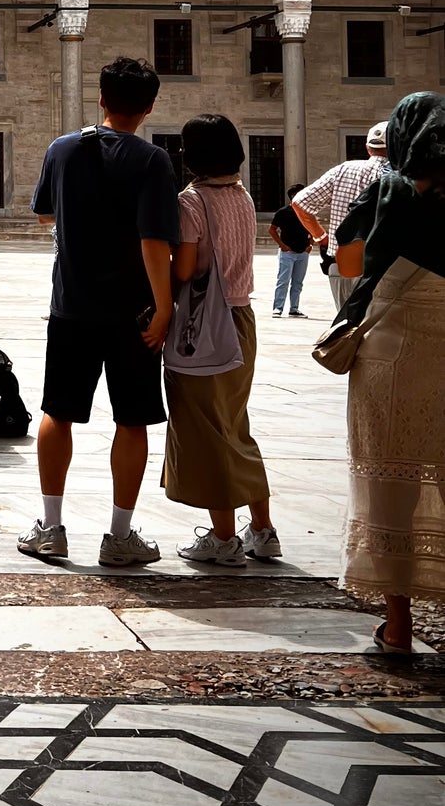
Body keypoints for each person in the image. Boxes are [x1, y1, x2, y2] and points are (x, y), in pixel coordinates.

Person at [20, 57, 178, 567]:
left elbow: (45, 211)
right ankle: (118, 536)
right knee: (133, 420)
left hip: (72, 305)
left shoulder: (63, 149)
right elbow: (154, 241)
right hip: (132, 310)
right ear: (150, 106)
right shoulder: (153, 161)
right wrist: (163, 306)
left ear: (102, 98)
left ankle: (51, 527)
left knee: (57, 413)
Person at [333, 92, 445, 654]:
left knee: (389, 480)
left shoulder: (390, 186)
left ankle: (398, 628)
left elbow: (350, 262)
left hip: (393, 346)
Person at [164, 114, 281, 567]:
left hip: (204, 327)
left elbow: (186, 269)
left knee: (207, 429)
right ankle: (263, 530)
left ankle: (224, 538)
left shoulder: (191, 202)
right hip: (241, 320)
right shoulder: (243, 197)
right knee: (235, 423)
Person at [292, 125, 388, 310]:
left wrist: (321, 237)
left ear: (368, 148)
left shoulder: (344, 170)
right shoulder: (398, 176)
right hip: (380, 268)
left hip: (341, 263)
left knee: (344, 328)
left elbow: (300, 203)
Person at [269, 185, 311, 318]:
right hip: (288, 253)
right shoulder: (283, 212)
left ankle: (294, 308)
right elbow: (272, 229)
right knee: (283, 281)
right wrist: (282, 245)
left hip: (302, 252)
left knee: (298, 282)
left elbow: (313, 228)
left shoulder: (307, 212)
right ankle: (278, 308)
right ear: (293, 196)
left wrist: (310, 244)